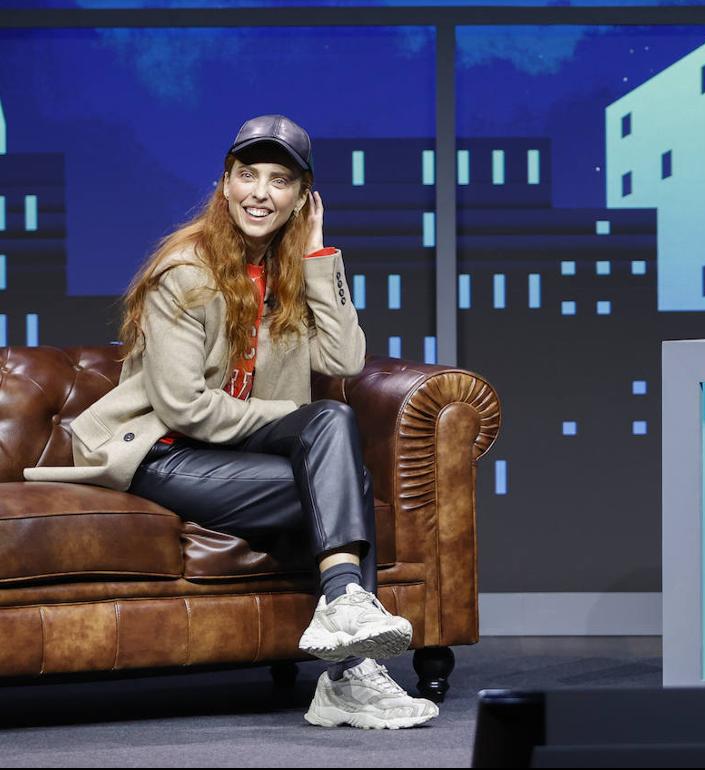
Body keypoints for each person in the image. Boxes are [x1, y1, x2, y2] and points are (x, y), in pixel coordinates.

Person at [22, 115, 438, 730]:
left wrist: (321, 256)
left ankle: (344, 614)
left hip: (237, 456)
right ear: (225, 183)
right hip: (162, 453)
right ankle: (351, 671)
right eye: (248, 175)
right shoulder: (185, 270)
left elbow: (345, 360)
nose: (260, 193)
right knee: (337, 460)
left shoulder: (291, 273)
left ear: (302, 197)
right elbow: (185, 406)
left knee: (336, 446)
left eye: (279, 180)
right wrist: (295, 415)